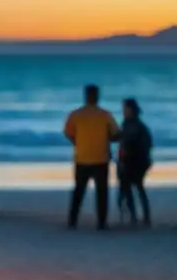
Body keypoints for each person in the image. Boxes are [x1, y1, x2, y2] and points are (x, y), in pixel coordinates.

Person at [63, 84, 121, 229]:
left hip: (82, 157)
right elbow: (116, 134)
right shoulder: (105, 114)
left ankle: (73, 220)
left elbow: (68, 133)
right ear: (97, 96)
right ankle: (101, 222)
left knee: (79, 191)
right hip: (101, 158)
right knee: (102, 192)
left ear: (85, 96)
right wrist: (107, 138)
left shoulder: (76, 114)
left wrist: (77, 142)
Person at [116, 98, 153, 227]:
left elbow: (127, 145)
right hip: (135, 160)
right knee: (135, 188)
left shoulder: (132, 125)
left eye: (125, 109)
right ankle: (140, 216)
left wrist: (123, 159)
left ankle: (136, 217)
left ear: (131, 110)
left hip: (133, 161)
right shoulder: (131, 124)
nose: (123, 111)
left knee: (132, 188)